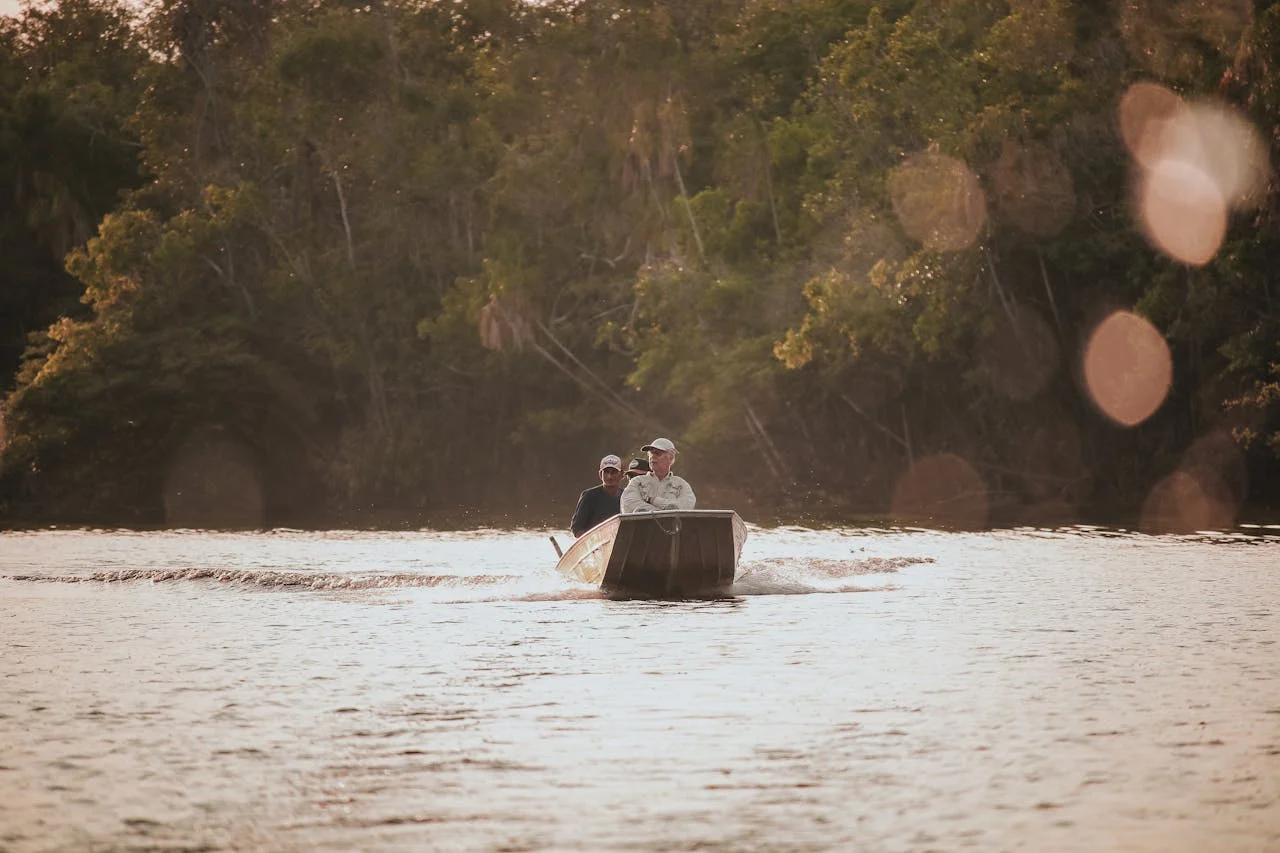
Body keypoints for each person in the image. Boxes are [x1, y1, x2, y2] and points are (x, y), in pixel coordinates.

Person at [621, 437, 696, 513]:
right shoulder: (636, 482)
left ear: (671, 458)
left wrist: (653, 500)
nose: (652, 456)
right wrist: (664, 511)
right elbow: (629, 505)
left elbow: (685, 507)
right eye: (651, 453)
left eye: (657, 453)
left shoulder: (681, 484)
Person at [570, 454, 625, 537]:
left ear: (621, 474)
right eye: (606, 472)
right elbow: (577, 528)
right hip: (595, 543)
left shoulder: (626, 496)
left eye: (613, 472)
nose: (609, 476)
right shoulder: (589, 496)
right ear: (600, 474)